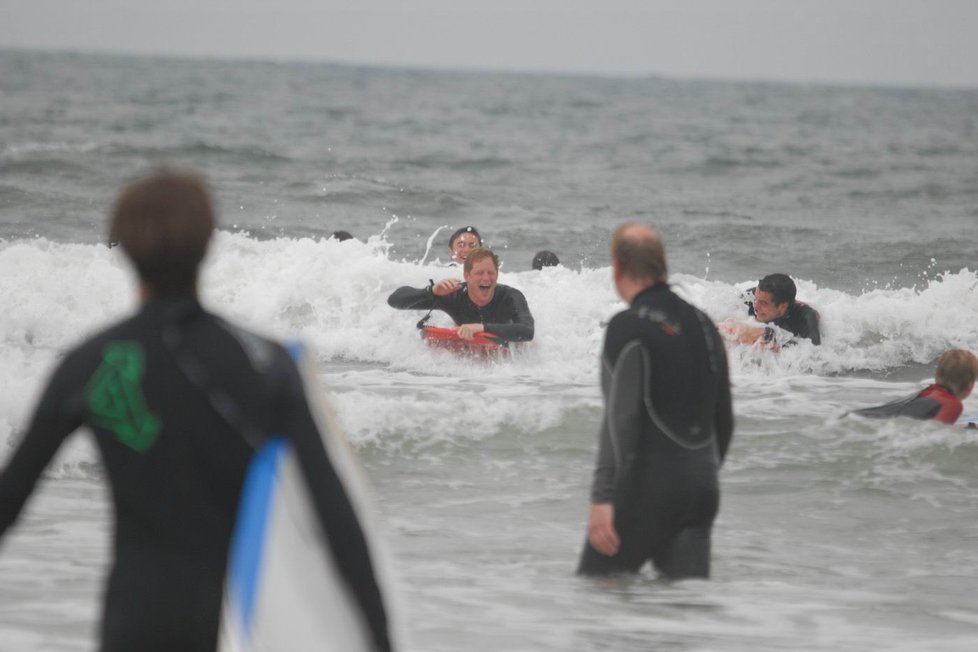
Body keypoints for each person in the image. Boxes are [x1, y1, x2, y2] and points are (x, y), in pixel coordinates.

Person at [0, 170, 393, 652]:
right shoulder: (265, 363)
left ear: (122, 248)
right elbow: (336, 519)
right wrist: (381, 639)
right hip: (230, 627)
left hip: (133, 623)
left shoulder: (94, 363)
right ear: (208, 244)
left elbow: (9, 500)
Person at [577, 223, 733, 579]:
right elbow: (723, 420)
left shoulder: (626, 327)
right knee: (678, 617)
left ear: (617, 267)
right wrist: (697, 476)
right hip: (701, 490)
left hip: (646, 491)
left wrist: (603, 498)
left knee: (599, 599)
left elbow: (621, 417)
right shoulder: (704, 324)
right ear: (662, 265)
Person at [387, 246, 534, 343]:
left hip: (505, 363)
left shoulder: (510, 297)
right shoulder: (454, 295)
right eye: (479, 273)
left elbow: (528, 332)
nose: (486, 278)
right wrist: (431, 292)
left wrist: (482, 328)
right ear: (467, 275)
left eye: (491, 273)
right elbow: (395, 300)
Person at [852, 349, 978, 425]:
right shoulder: (953, 404)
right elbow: (938, 435)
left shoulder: (928, 392)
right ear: (969, 386)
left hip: (861, 416)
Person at [724, 273, 820, 347]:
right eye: (756, 299)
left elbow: (813, 353)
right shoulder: (748, 298)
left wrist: (769, 336)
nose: (755, 306)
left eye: (763, 303)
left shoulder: (804, 317)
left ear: (782, 307)